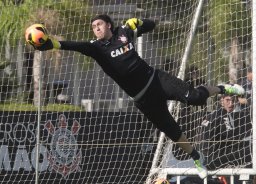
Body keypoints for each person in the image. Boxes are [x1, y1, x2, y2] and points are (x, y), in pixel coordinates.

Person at [28, 14, 245, 179]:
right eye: (93, 27)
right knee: (172, 130)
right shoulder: (95, 49)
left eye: (99, 25)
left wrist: (139, 22)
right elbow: (70, 45)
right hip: (142, 98)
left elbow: (149, 26)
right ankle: (197, 157)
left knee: (196, 97)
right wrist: (49, 44)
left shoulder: (124, 33)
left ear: (109, 26)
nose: (96, 29)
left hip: (156, 80)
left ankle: (222, 88)